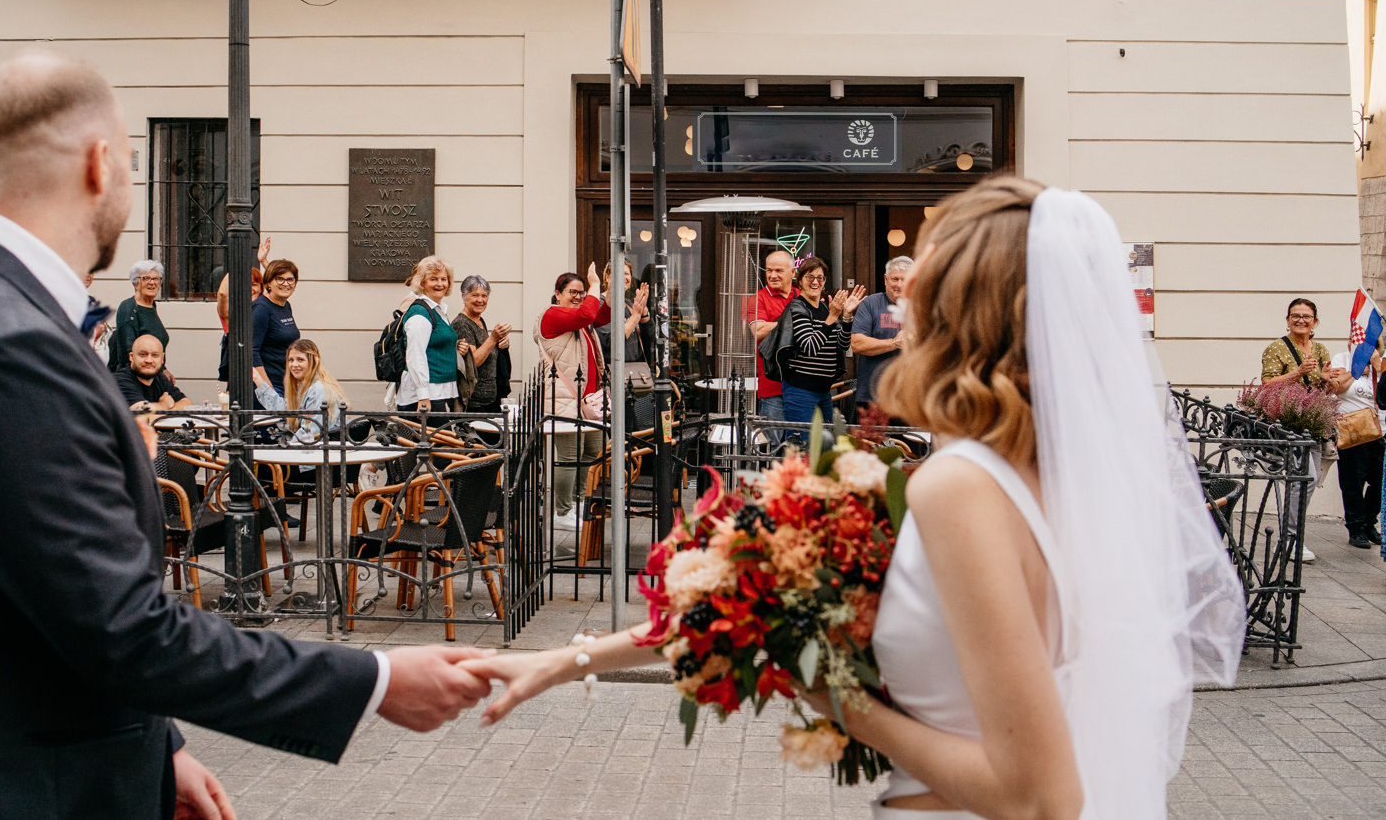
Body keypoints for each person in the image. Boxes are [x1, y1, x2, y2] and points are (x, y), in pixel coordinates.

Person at [0, 53, 493, 819]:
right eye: (133, 163)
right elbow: (120, 623)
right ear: (98, 163)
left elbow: (39, 600)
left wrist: (156, 742)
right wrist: (374, 681)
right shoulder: (7, 343)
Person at [460, 177, 1245, 820]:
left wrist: (837, 697)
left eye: (925, 273)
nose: (903, 297)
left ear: (962, 306)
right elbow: (748, 596)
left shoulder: (961, 487)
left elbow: (1040, 797)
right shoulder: (1036, 473)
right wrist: (562, 661)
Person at [535, 265, 610, 533]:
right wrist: (593, 285)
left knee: (594, 451)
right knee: (569, 457)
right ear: (557, 294)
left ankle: (579, 502)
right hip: (564, 399)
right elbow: (588, 313)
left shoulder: (579, 321)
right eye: (572, 292)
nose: (578, 297)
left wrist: (612, 289)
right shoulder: (552, 315)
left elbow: (602, 315)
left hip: (590, 401)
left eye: (581, 292)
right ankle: (562, 512)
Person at [1261, 297, 1335, 563]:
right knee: (1304, 479)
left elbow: (1326, 388)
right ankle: (1290, 540)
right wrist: (1298, 372)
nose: (1301, 320)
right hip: (1288, 425)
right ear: (1287, 319)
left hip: (1313, 425)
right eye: (1295, 315)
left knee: (1307, 481)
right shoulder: (1277, 348)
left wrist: (1328, 381)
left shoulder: (1321, 349)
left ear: (1315, 321)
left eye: (1306, 316)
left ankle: (1292, 538)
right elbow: (1267, 384)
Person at [778, 257, 863, 427]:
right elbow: (809, 347)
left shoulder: (825, 308)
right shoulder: (798, 307)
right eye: (810, 277)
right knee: (801, 440)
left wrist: (847, 317)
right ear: (800, 281)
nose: (815, 282)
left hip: (824, 390)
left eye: (820, 278)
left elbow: (842, 344)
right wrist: (833, 316)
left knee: (826, 441)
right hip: (801, 390)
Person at [1325, 353, 1384, 548]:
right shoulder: (1342, 360)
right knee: (1353, 481)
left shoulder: (1381, 362)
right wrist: (1356, 371)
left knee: (1380, 481)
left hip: (1380, 430)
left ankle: (1368, 522)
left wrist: (1378, 367)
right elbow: (1336, 388)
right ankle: (1356, 527)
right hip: (1352, 430)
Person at [393, 256, 461, 413]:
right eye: (433, 279)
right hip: (423, 398)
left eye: (444, 279)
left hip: (437, 394)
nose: (440, 284)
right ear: (422, 283)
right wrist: (423, 396)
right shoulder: (420, 314)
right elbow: (415, 355)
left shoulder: (437, 311)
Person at [745, 249, 797, 447]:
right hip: (772, 386)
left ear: (793, 272)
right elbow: (758, 330)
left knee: (800, 445)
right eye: (769, 270)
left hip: (801, 385)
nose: (773, 275)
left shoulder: (801, 296)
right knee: (772, 445)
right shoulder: (758, 299)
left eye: (779, 270)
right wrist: (794, 323)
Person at [848, 256, 910, 417]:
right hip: (872, 398)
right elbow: (857, 344)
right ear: (885, 279)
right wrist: (894, 343)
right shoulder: (870, 304)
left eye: (904, 279)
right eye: (895, 279)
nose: (899, 284)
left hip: (911, 400)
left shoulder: (922, 308)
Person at [255, 338, 345, 441]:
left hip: (322, 449)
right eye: (291, 360)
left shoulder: (318, 389)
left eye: (300, 360)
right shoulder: (304, 386)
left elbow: (309, 432)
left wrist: (287, 448)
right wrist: (257, 379)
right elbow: (284, 409)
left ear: (313, 362)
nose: (294, 365)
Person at [451, 275, 512, 412]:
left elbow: (486, 350)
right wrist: (493, 338)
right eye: (475, 295)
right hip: (474, 404)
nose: (480, 300)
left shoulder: (479, 320)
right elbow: (473, 361)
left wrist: (501, 343)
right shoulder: (461, 323)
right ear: (463, 297)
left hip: (489, 401)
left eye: (484, 296)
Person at [216, 237, 272, 385]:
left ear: (261, 287)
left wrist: (264, 262)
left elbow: (278, 284)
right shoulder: (231, 311)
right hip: (241, 376)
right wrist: (236, 265)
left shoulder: (266, 305)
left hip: (268, 371)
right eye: (244, 284)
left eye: (253, 284)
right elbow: (222, 294)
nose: (249, 289)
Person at [107, 259, 169, 372]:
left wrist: (163, 370)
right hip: (136, 375)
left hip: (152, 372)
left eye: (155, 278)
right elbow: (127, 353)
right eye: (146, 278)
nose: (152, 282)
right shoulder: (128, 308)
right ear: (135, 283)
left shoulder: (151, 306)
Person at [252, 258, 301, 393]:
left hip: (286, 382)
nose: (286, 284)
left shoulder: (285, 305)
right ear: (268, 282)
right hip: (270, 385)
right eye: (280, 279)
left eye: (290, 279)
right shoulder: (261, 308)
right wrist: (267, 387)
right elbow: (252, 351)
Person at [116, 334, 193, 412]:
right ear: (131, 357)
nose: (149, 360)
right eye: (143, 355)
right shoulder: (120, 380)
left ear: (162, 359)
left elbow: (186, 404)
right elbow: (141, 413)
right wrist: (164, 405)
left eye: (155, 355)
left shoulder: (160, 378)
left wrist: (160, 412)